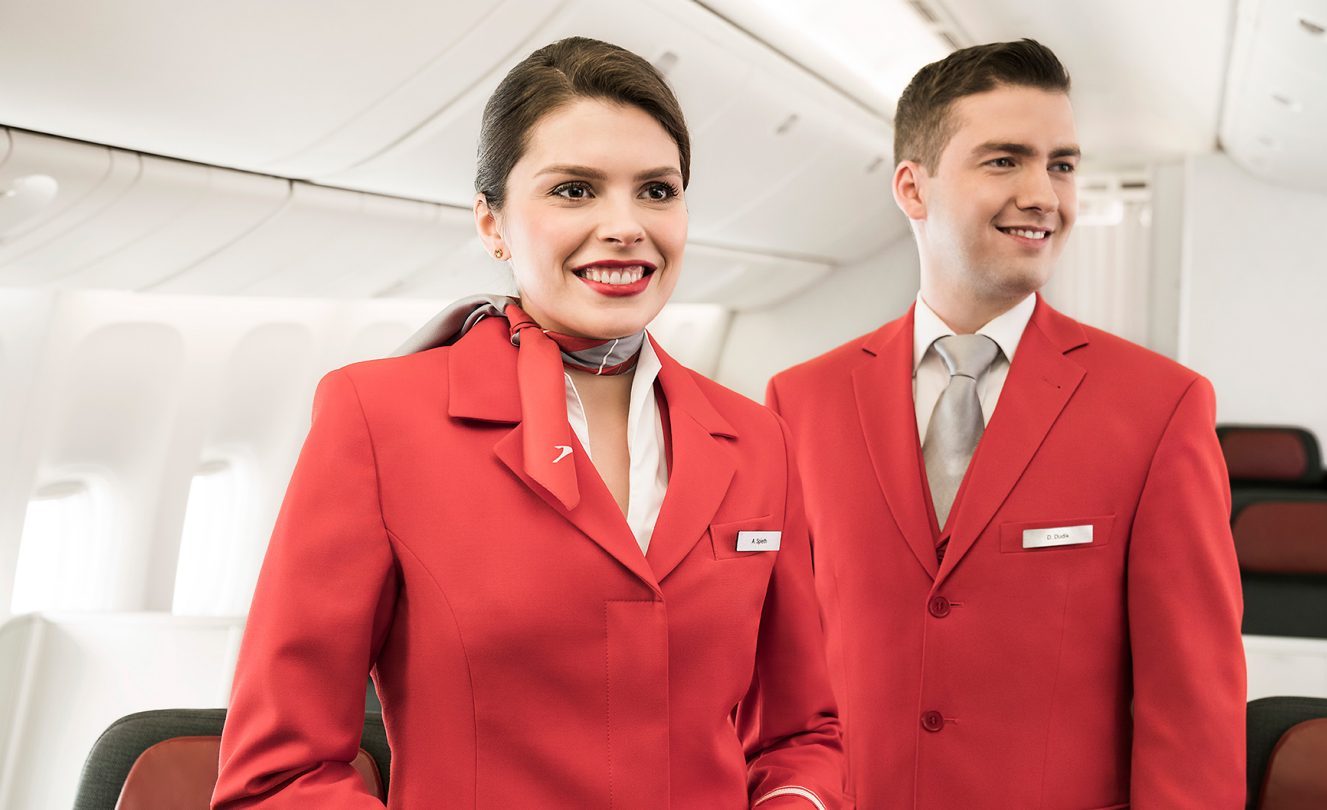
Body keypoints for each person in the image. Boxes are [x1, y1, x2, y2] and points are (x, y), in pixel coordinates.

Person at [213, 37, 842, 809]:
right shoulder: (378, 421)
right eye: (575, 191)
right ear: (492, 224)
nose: (626, 226)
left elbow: (803, 737)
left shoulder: (754, 440)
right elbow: (280, 776)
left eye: (657, 191)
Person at [766, 39, 1244, 808]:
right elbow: (781, 678)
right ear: (912, 189)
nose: (1044, 196)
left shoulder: (1160, 409)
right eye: (1004, 161)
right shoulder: (803, 402)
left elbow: (1192, 710)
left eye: (1061, 165)